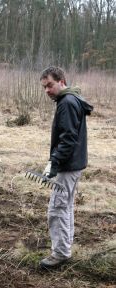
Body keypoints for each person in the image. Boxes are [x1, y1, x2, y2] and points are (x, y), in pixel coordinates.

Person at [39, 66, 93, 268]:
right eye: (44, 87)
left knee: (57, 208)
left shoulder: (67, 103)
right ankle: (65, 247)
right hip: (73, 163)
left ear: (62, 81)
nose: (47, 90)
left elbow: (68, 139)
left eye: (50, 85)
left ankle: (60, 253)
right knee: (66, 205)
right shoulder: (70, 99)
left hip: (69, 165)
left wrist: (54, 162)